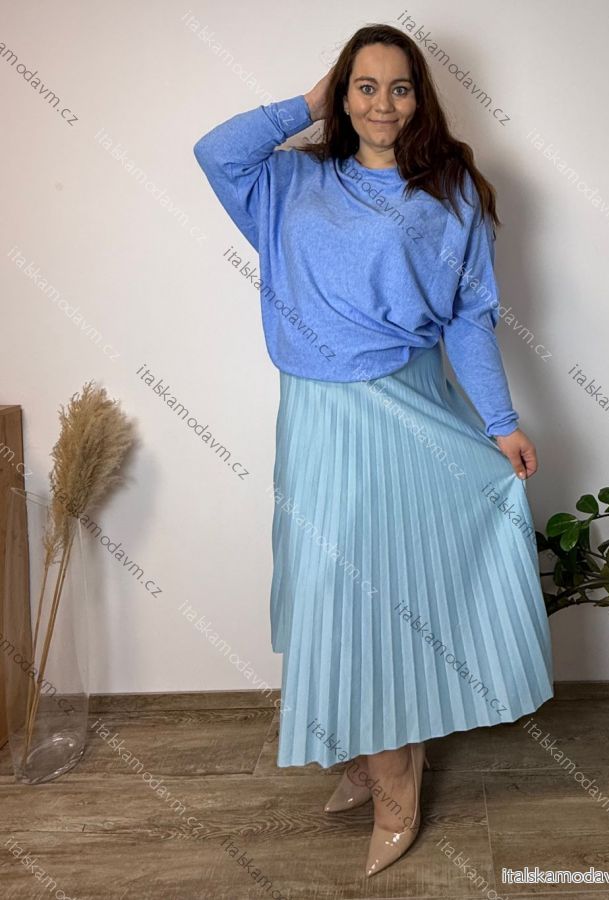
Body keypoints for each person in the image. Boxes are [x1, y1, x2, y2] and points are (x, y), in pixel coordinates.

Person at [193, 23, 553, 878]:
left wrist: (500, 422)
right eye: (364, 85)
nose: (382, 104)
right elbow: (213, 150)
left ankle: (397, 779)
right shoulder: (290, 180)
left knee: (385, 594)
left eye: (399, 87)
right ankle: (369, 749)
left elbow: (468, 318)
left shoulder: (450, 191)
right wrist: (308, 102)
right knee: (330, 590)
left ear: (420, 97)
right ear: (340, 92)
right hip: (316, 418)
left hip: (408, 410)